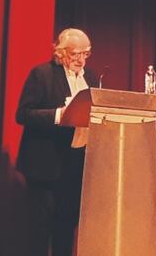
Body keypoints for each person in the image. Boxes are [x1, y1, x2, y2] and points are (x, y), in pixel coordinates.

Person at [16, 28, 96, 256]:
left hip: (75, 167)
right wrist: (59, 115)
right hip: (45, 168)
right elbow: (23, 114)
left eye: (86, 54)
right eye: (76, 54)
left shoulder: (90, 77)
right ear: (61, 53)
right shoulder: (42, 75)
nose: (82, 60)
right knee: (40, 233)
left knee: (65, 231)